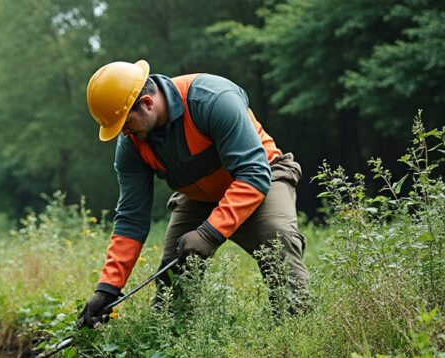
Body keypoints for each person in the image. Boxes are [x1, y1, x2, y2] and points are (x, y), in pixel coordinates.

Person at [78, 60, 309, 328]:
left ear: (147, 103)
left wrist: (209, 233)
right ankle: (171, 341)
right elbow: (131, 218)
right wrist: (108, 288)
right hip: (198, 194)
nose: (124, 133)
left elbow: (253, 174)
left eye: (126, 123)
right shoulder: (132, 142)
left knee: (277, 237)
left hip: (261, 176)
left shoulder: (213, 100)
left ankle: (297, 330)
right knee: (172, 274)